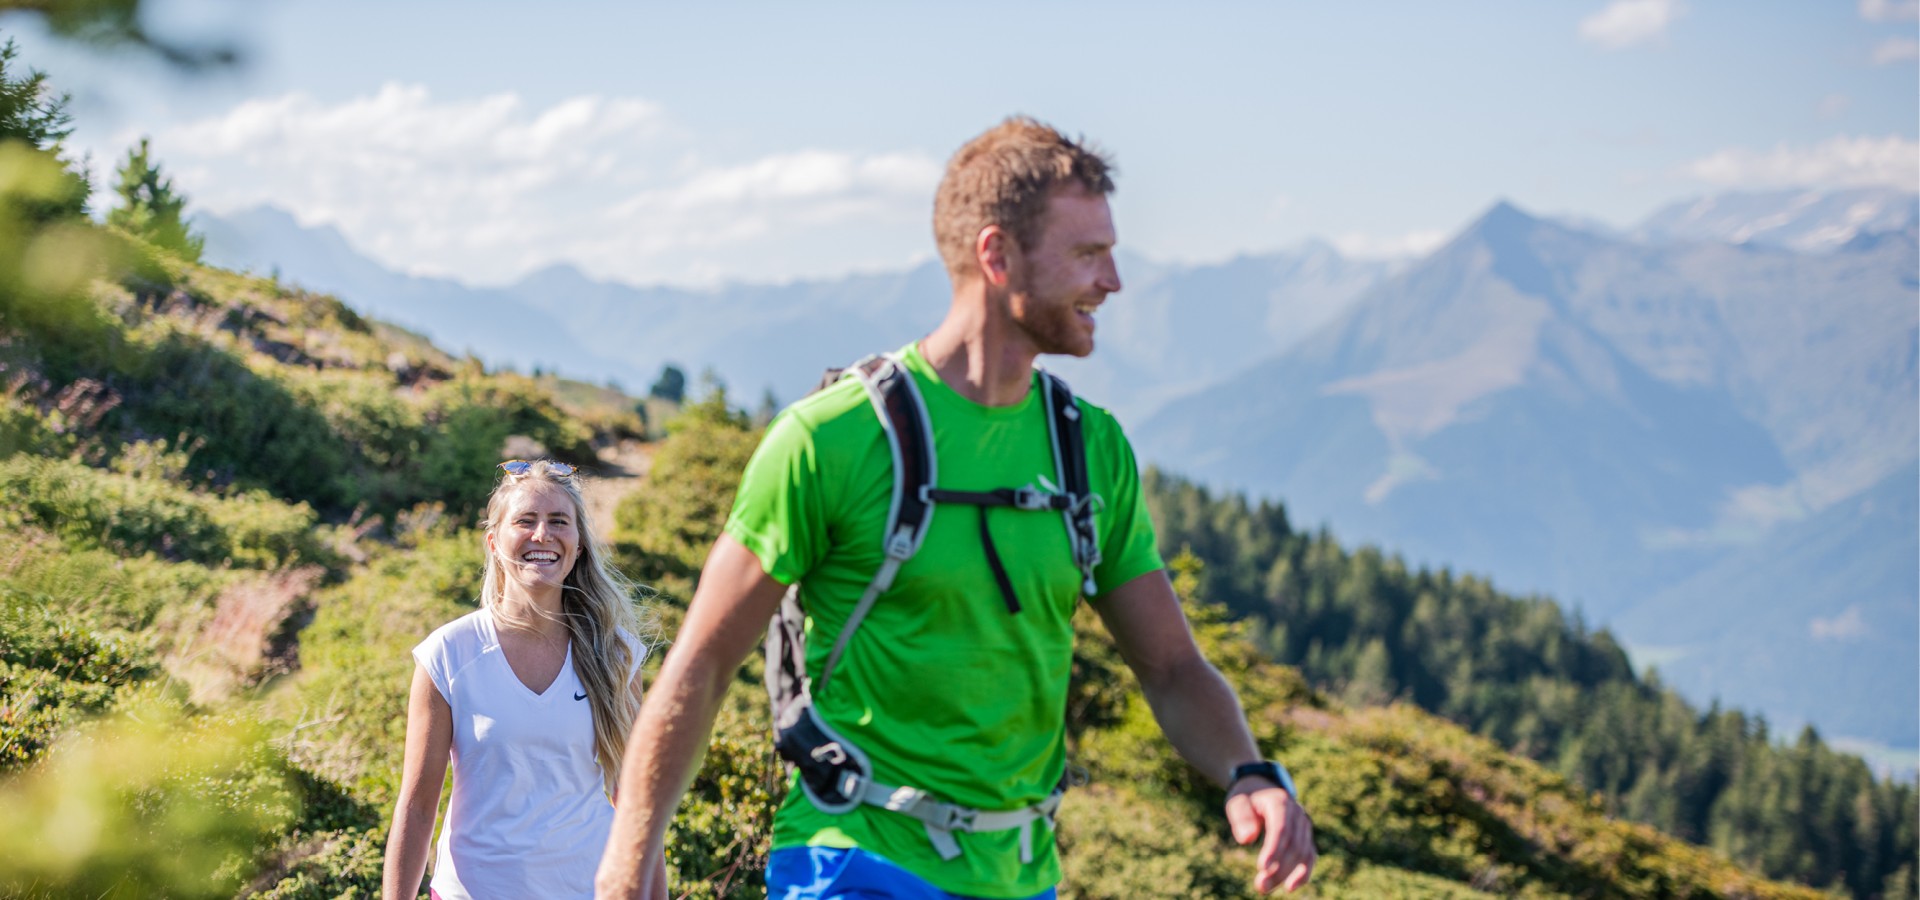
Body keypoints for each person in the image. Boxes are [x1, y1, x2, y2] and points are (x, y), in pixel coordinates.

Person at [595, 117, 1315, 900]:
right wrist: (631, 863)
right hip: (852, 858)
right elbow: (701, 662)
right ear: (997, 255)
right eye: (1087, 254)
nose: (1112, 281)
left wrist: (1249, 772)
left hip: (1021, 871)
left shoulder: (1090, 450)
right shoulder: (830, 439)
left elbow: (1172, 668)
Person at [382, 459, 665, 900]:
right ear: (494, 542)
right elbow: (418, 809)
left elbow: (636, 803)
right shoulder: (448, 653)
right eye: (525, 521)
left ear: (578, 545)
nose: (542, 536)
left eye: (558, 522)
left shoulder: (616, 653)